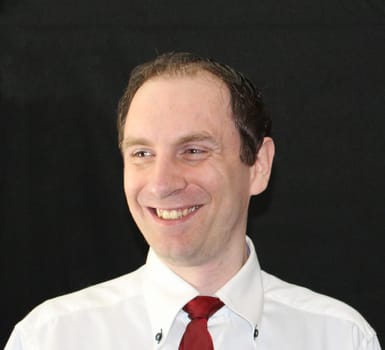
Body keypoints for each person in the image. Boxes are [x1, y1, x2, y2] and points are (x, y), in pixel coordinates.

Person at [5, 52, 381, 350]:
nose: (162, 183)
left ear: (258, 166)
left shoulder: (340, 339)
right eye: (141, 154)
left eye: (194, 150)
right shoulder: (50, 339)